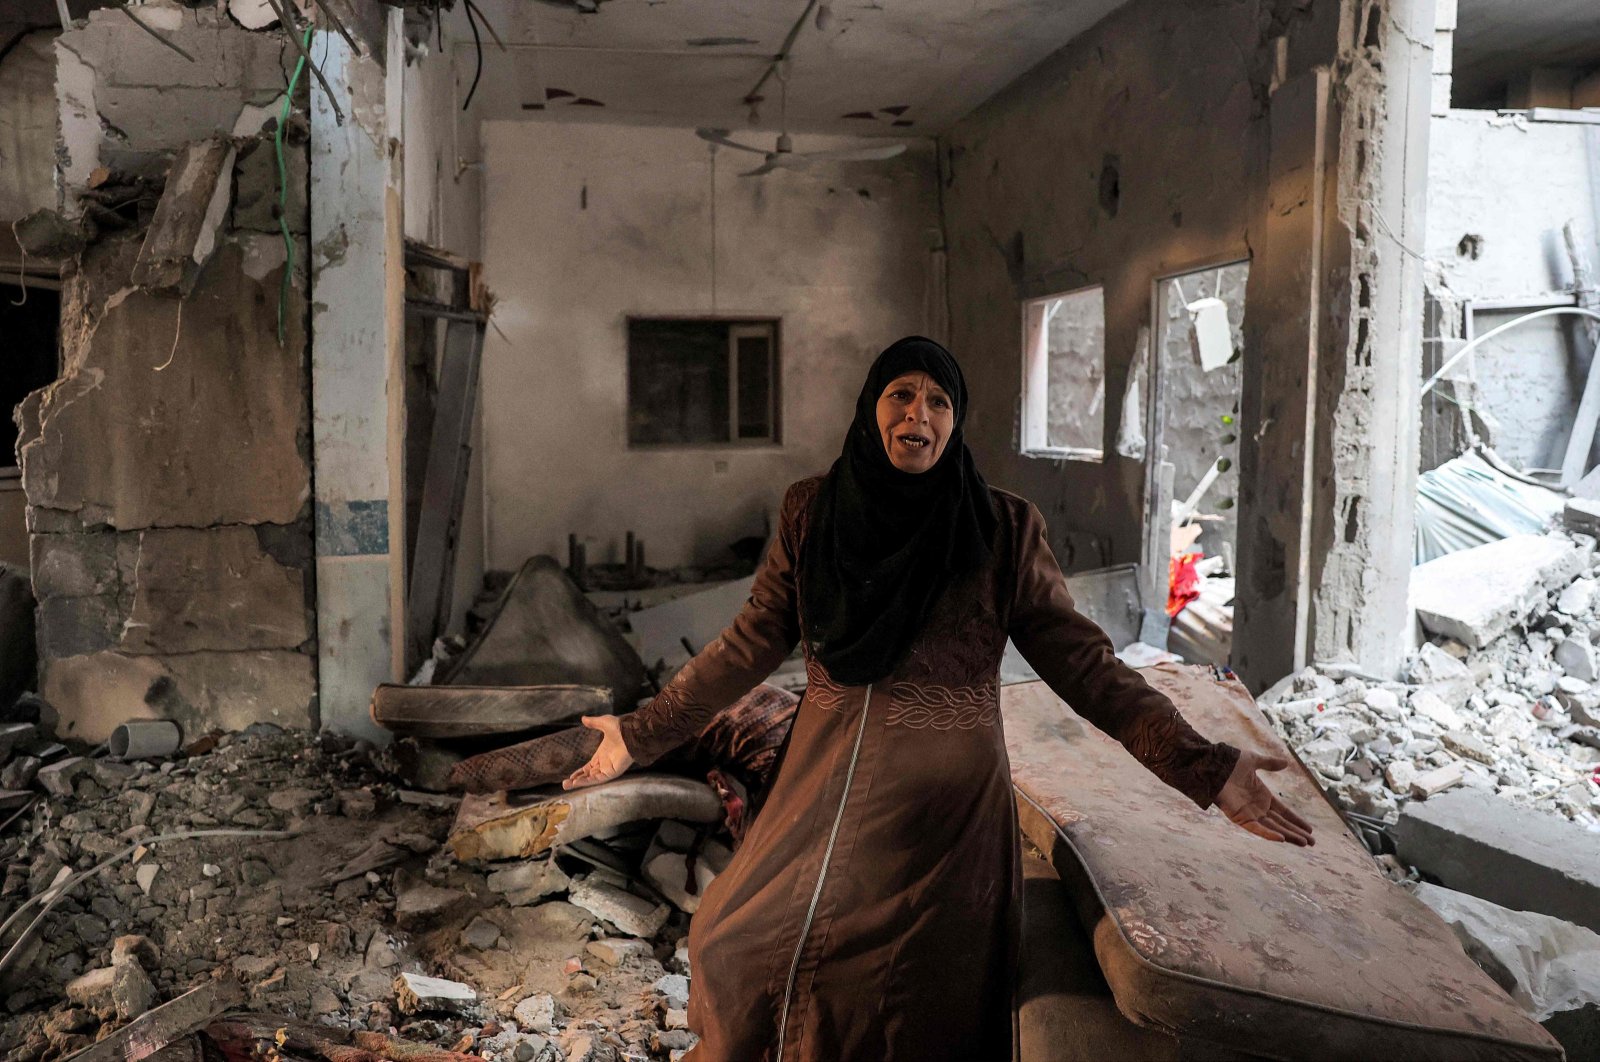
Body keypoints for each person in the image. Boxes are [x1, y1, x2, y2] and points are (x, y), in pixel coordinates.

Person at [563, 336, 1313, 1061]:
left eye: (938, 401)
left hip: (944, 808)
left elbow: (1088, 668)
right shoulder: (813, 514)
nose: (917, 415)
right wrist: (639, 733)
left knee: (913, 989)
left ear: (956, 422)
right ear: (871, 407)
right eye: (900, 395)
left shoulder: (1001, 528)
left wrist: (1206, 768)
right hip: (828, 777)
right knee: (741, 941)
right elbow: (747, 645)